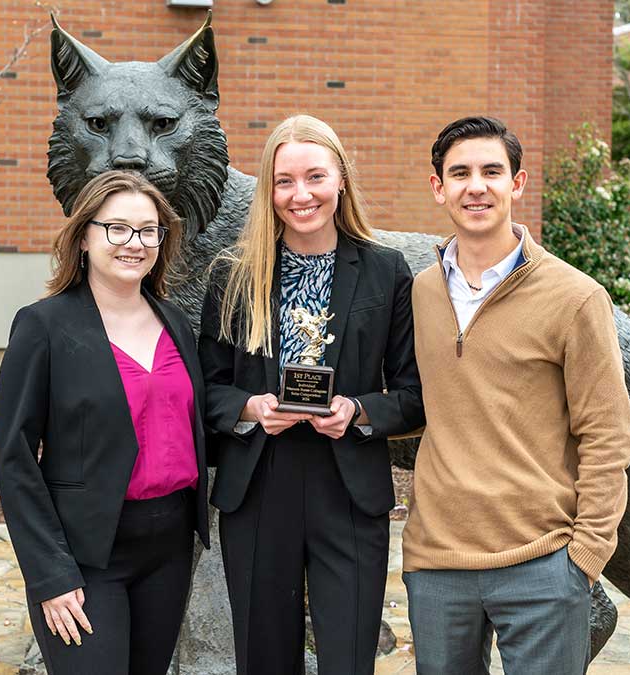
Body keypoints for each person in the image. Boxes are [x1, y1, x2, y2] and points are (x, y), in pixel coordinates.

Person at [403, 116, 630, 674]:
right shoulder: (421, 290)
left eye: (491, 171)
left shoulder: (576, 298)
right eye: (459, 173)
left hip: (543, 563)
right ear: (439, 188)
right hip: (436, 563)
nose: (475, 186)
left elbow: (608, 434)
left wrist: (584, 556)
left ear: (518, 183)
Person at [199, 114, 424, 675]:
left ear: (340, 179)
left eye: (315, 177)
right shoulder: (234, 274)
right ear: (267, 190)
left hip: (347, 486)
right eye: (284, 181)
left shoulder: (385, 272)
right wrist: (249, 409)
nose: (300, 195)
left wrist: (359, 409)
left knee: (349, 658)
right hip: (259, 484)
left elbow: (414, 393)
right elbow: (205, 389)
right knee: (265, 659)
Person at [0, 170, 210, 675]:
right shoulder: (43, 326)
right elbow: (13, 457)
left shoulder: (175, 322)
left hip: (169, 547)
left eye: (148, 230)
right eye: (117, 228)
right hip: (86, 555)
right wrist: (49, 574)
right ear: (85, 236)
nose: (134, 243)